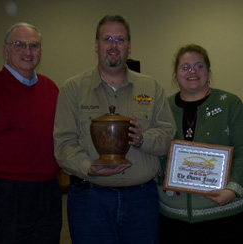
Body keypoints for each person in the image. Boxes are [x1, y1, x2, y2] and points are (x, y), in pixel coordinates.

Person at [53, 15, 175, 244]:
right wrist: (89, 167)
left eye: (120, 39)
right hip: (90, 200)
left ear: (129, 46)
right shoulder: (73, 89)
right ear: (96, 45)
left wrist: (142, 139)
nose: (113, 45)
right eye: (107, 38)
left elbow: (168, 135)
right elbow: (63, 144)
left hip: (141, 201)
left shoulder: (151, 87)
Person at [0, 23, 62, 243]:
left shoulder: (51, 89)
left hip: (48, 193)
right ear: (5, 50)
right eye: (19, 45)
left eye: (34, 46)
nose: (27, 52)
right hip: (3, 195)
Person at [158, 44, 243, 244]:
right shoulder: (163, 108)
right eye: (185, 67)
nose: (192, 72)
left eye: (199, 66)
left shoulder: (230, 104)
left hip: (228, 215)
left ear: (208, 71)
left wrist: (233, 190)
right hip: (175, 219)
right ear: (175, 74)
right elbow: (156, 152)